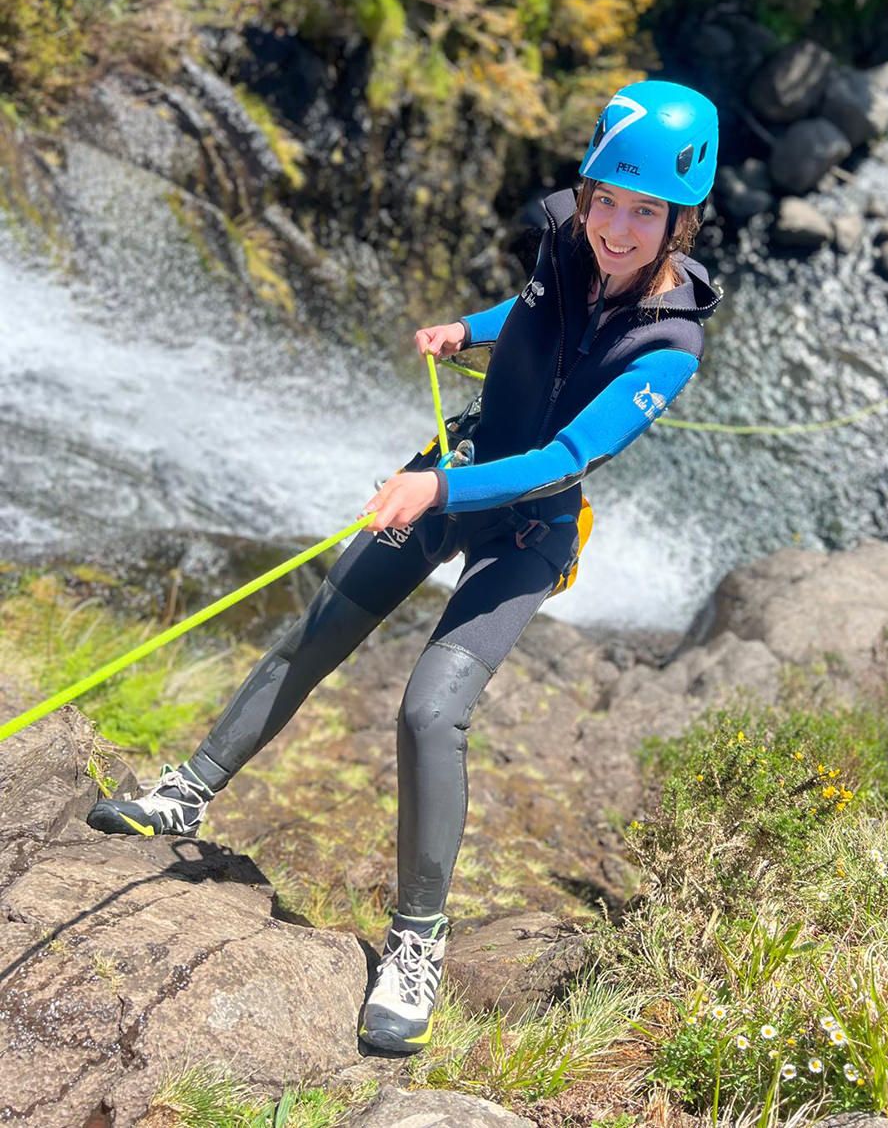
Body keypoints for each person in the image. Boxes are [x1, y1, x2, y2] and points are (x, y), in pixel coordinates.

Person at [87, 80, 722, 1052]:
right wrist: (467, 331)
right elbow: (532, 308)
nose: (617, 226)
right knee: (326, 621)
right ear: (587, 189)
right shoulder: (564, 237)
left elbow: (563, 460)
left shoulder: (667, 348)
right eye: (606, 199)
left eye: (644, 211)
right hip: (457, 470)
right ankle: (189, 785)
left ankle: (416, 943)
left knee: (429, 709)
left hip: (526, 531)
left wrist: (432, 493)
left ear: (679, 218)